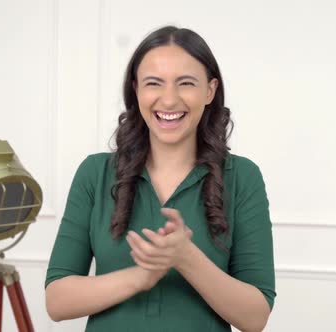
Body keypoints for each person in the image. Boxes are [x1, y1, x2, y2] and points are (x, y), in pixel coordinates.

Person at [45, 25, 275, 332]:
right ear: (136, 89)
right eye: (154, 83)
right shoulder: (95, 173)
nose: (168, 100)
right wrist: (140, 277)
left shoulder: (243, 177)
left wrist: (186, 258)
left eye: (186, 83)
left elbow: (255, 317)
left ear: (210, 90)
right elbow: (57, 302)